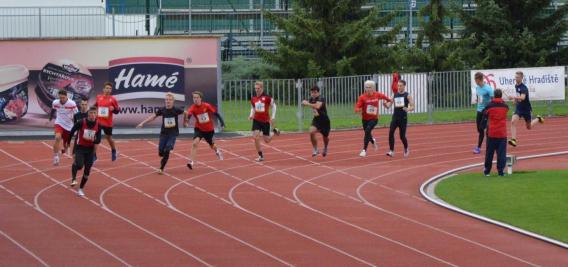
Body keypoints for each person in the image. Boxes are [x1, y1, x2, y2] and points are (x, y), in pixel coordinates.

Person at [137, 93, 186, 174]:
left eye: (170, 100)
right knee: (160, 152)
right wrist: (142, 123)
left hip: (173, 133)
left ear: (173, 101)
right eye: (166, 100)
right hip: (164, 133)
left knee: (167, 149)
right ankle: (164, 155)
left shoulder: (176, 109)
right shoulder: (162, 110)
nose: (168, 101)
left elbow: (186, 113)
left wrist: (185, 122)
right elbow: (153, 117)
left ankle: (161, 168)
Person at [185, 91, 225, 169]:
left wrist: (222, 123)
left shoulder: (206, 106)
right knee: (195, 143)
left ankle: (217, 151)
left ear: (200, 98)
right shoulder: (192, 107)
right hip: (199, 129)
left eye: (197, 97)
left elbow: (216, 114)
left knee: (212, 145)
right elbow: (189, 115)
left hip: (209, 129)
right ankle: (191, 162)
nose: (195, 99)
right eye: (194, 98)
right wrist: (187, 121)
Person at [67, 106, 102, 196]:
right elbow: (72, 131)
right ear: (88, 114)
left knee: (87, 171)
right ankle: (74, 179)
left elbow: (99, 139)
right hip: (80, 148)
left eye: (94, 113)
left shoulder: (98, 125)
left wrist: (93, 140)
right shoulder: (81, 122)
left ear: (97, 114)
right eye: (91, 113)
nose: (93, 115)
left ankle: (81, 189)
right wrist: (68, 143)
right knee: (79, 166)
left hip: (90, 150)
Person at [354, 80, 392, 157]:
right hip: (365, 119)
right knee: (367, 132)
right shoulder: (362, 97)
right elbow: (357, 107)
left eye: (369, 87)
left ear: (373, 88)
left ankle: (364, 150)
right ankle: (372, 141)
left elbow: (388, 99)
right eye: (366, 87)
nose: (368, 89)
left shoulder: (377, 95)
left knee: (367, 130)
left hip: (374, 118)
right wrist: (358, 110)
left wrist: (387, 103)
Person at [508, 71, 544, 147]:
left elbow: (523, 97)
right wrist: (515, 100)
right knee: (513, 122)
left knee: (529, 127)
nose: (516, 78)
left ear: (521, 78)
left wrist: (514, 97)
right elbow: (519, 96)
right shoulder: (516, 86)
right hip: (519, 108)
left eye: (517, 77)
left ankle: (538, 118)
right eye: (515, 77)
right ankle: (513, 140)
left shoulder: (524, 88)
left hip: (526, 109)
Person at [250, 81, 280, 161]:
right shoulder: (253, 98)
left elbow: (274, 106)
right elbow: (253, 107)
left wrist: (273, 117)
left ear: (262, 88)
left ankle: (274, 131)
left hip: (265, 121)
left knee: (267, 140)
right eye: (255, 88)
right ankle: (260, 155)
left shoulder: (267, 97)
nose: (256, 90)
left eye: (258, 88)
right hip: (256, 120)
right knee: (256, 137)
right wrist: (251, 115)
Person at [482, 89, 509, 176]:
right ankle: (500, 171)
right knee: (501, 153)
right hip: (502, 133)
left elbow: (485, 114)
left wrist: (483, 126)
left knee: (489, 152)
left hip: (492, 132)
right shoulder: (505, 107)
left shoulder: (489, 106)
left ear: (493, 95)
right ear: (501, 96)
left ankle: (487, 171)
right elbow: (506, 108)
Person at [49, 89, 78, 166]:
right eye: (60, 97)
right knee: (57, 137)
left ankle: (62, 150)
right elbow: (53, 109)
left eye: (63, 98)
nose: (62, 99)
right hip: (59, 123)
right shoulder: (55, 102)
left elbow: (76, 115)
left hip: (69, 126)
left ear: (66, 97)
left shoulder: (72, 103)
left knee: (66, 147)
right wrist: (50, 117)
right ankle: (56, 157)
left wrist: (76, 124)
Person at [386, 79, 414, 157]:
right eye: (398, 85)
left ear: (404, 86)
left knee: (402, 136)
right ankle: (391, 151)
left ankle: (406, 148)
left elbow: (413, 106)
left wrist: (408, 109)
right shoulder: (394, 94)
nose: (399, 87)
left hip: (403, 118)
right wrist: (385, 104)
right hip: (395, 117)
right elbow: (388, 106)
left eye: (400, 86)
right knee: (391, 132)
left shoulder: (407, 95)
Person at [302, 85, 330, 157]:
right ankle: (315, 149)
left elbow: (317, 106)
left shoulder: (322, 98)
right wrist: (304, 103)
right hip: (316, 120)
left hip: (324, 121)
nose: (313, 94)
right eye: (312, 92)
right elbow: (307, 103)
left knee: (325, 137)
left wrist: (307, 103)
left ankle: (325, 148)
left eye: (315, 92)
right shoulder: (311, 99)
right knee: (311, 131)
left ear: (318, 93)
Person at [95, 81, 120, 161]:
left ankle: (113, 150)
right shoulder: (99, 97)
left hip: (107, 123)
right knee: (95, 139)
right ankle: (94, 156)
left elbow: (117, 110)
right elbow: (96, 105)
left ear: (111, 90)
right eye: (107, 88)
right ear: (103, 89)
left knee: (109, 138)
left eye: (110, 88)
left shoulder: (113, 99)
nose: (108, 90)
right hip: (98, 122)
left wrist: (113, 109)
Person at [473, 72, 494, 154]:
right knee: (479, 129)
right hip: (479, 110)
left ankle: (478, 147)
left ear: (479, 79)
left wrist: (488, 108)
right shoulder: (477, 87)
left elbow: (493, 100)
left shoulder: (488, 88)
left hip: (486, 111)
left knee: (483, 129)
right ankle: (486, 141)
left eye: (476, 79)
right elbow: (479, 97)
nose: (475, 81)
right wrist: (477, 100)